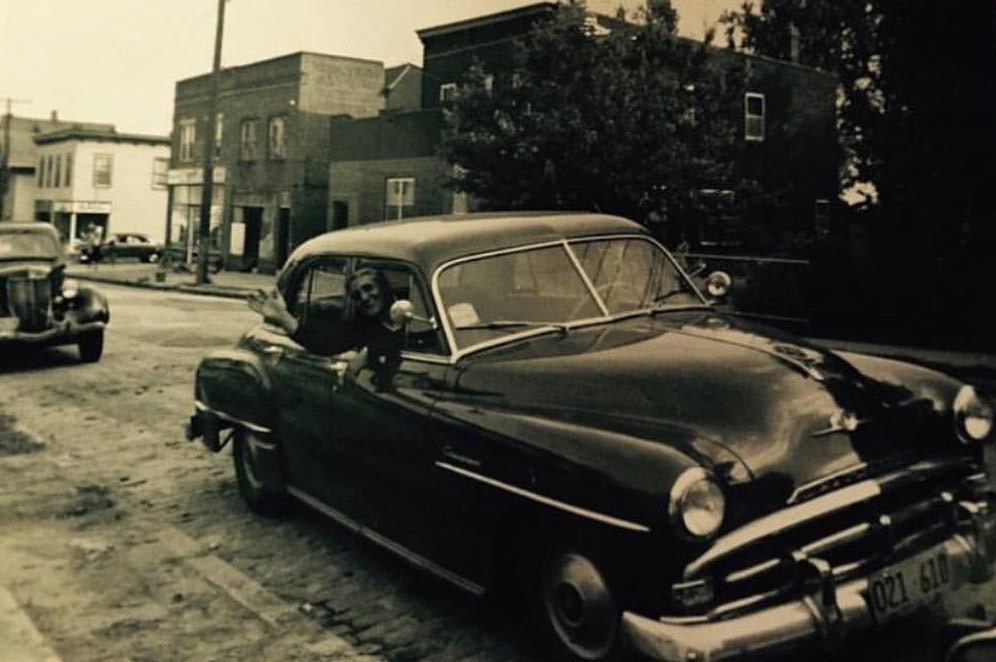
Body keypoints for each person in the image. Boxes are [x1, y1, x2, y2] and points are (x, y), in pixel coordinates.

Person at [248, 267, 404, 390]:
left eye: (369, 288)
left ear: (383, 287)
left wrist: (369, 353)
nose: (365, 297)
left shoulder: (410, 303)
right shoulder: (362, 323)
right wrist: (283, 317)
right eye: (357, 296)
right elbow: (324, 343)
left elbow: (417, 335)